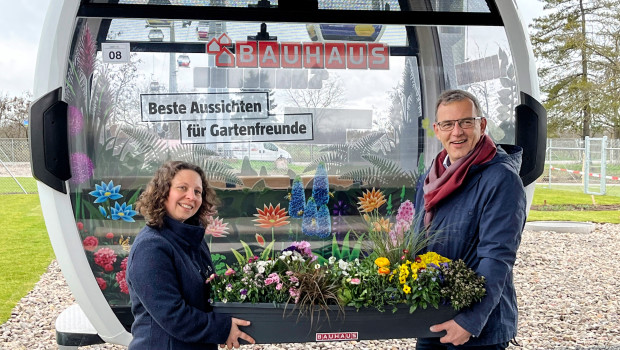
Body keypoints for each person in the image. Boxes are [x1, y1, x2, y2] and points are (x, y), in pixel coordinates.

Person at [414, 89, 526, 349]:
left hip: (477, 331)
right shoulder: (432, 176)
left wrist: (470, 321)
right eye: (448, 124)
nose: (457, 132)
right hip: (432, 317)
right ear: (437, 129)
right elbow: (420, 240)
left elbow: (497, 257)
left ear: (482, 125)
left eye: (466, 122)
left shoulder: (501, 179)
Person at [127, 161, 255, 349]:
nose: (191, 197)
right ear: (162, 193)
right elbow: (173, 315)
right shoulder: (151, 247)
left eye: (197, 191)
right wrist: (223, 328)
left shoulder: (193, 237)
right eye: (182, 188)